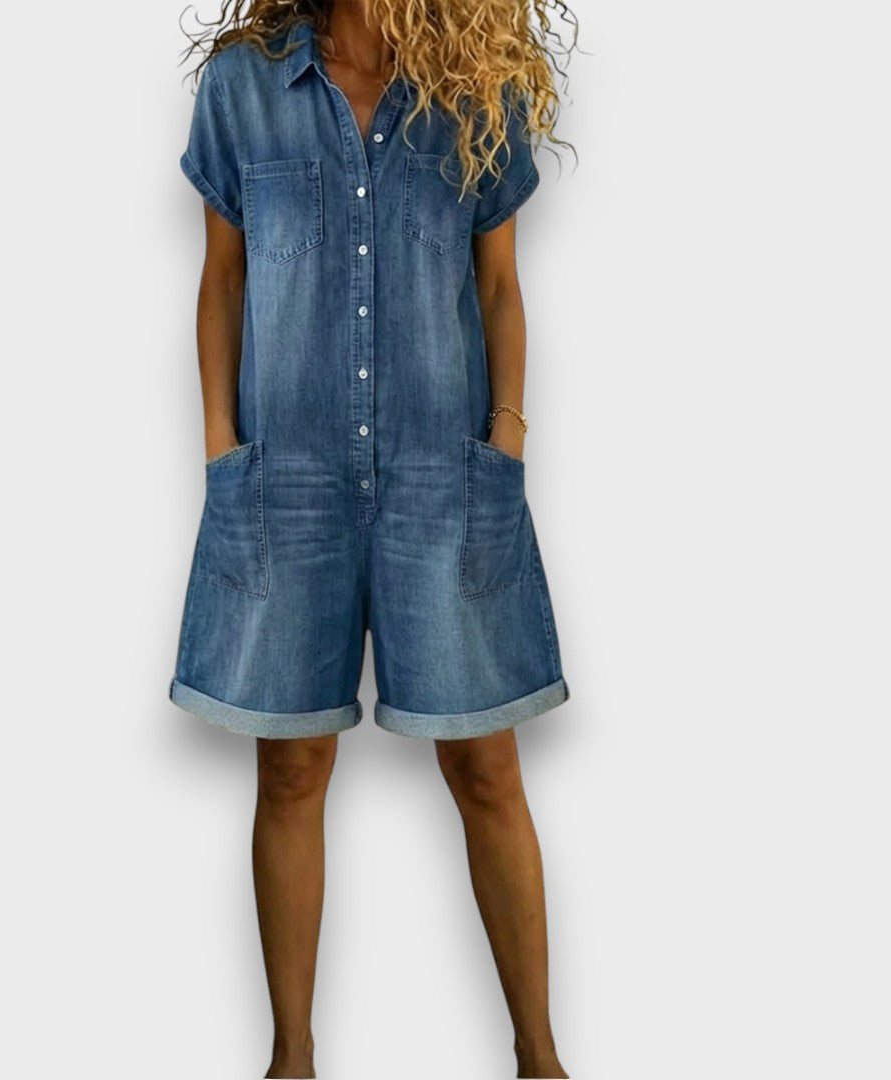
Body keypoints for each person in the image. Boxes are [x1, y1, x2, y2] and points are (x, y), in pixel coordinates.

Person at [170, 1, 576, 1076]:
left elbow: (499, 283)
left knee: (485, 766)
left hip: (443, 477)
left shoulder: (477, 87)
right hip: (287, 477)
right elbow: (222, 280)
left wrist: (506, 439)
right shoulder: (243, 88)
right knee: (292, 768)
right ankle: (291, 1060)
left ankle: (541, 1059)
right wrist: (221, 450)